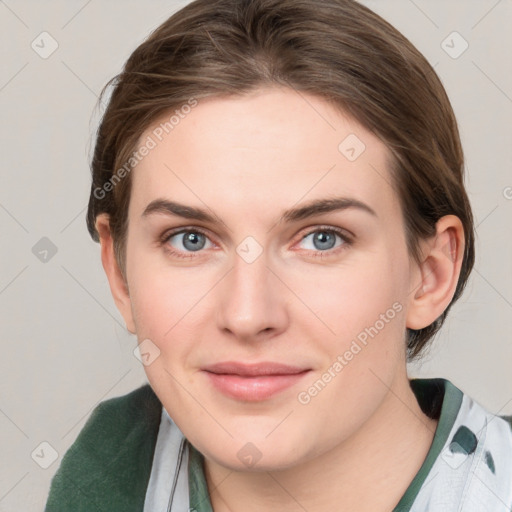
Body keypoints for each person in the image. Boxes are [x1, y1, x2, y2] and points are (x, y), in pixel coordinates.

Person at [44, 0, 512, 510]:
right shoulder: (103, 480)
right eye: (190, 239)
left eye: (322, 239)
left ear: (430, 274)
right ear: (120, 273)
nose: (248, 315)